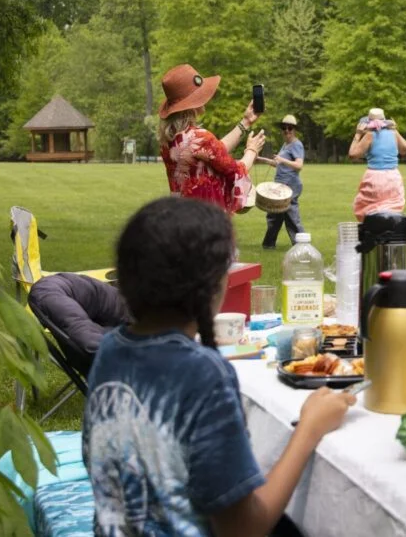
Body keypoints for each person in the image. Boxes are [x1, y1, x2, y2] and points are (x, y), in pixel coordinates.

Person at [83, 197, 356, 535]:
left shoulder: (111, 349)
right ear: (214, 285)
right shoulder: (202, 372)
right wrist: (310, 429)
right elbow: (244, 529)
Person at [158, 63, 266, 216]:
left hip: (180, 216)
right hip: (206, 220)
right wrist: (252, 150)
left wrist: (246, 122)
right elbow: (236, 171)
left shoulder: (169, 142)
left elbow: (214, 151)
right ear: (190, 105)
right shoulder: (201, 138)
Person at [349, 108, 406, 222]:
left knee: (367, 208)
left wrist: (357, 135)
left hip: (375, 177)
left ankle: (374, 234)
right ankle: (389, 234)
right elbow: (405, 149)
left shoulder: (370, 135)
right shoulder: (393, 133)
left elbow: (353, 154)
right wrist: (395, 131)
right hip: (393, 177)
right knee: (392, 209)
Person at [258, 114, 305, 249]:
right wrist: (260, 159)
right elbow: (277, 163)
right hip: (280, 185)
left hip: (291, 185)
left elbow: (299, 165)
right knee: (274, 215)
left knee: (291, 216)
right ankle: (268, 245)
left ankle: (301, 245)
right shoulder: (285, 145)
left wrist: (282, 160)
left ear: (294, 130)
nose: (286, 131)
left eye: (290, 128)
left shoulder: (297, 145)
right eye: (284, 128)